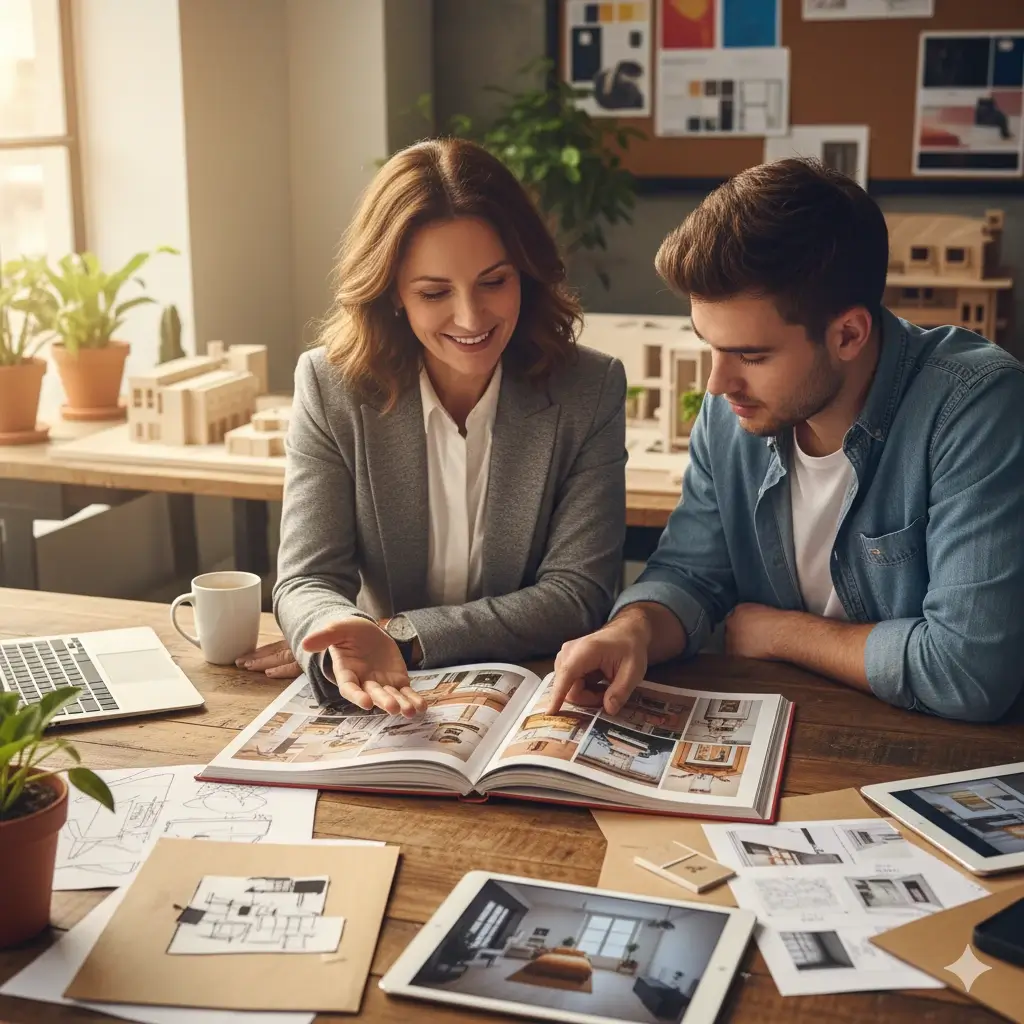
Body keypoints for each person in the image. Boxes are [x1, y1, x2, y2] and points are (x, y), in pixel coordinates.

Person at [548, 158, 1024, 724]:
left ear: (848, 334)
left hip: (934, 749)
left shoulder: (974, 406)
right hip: (791, 730)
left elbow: (969, 671)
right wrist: (633, 630)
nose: (717, 384)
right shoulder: (732, 411)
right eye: (710, 345)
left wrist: (781, 634)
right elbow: (691, 574)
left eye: (751, 355)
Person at [243, 137, 627, 718]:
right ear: (393, 292)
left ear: (525, 274)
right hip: (384, 697)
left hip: (534, 696)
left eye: (494, 282)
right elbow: (305, 580)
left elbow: (578, 595)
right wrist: (338, 633)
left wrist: (402, 636)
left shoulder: (589, 389)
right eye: (434, 292)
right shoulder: (330, 385)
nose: (471, 317)